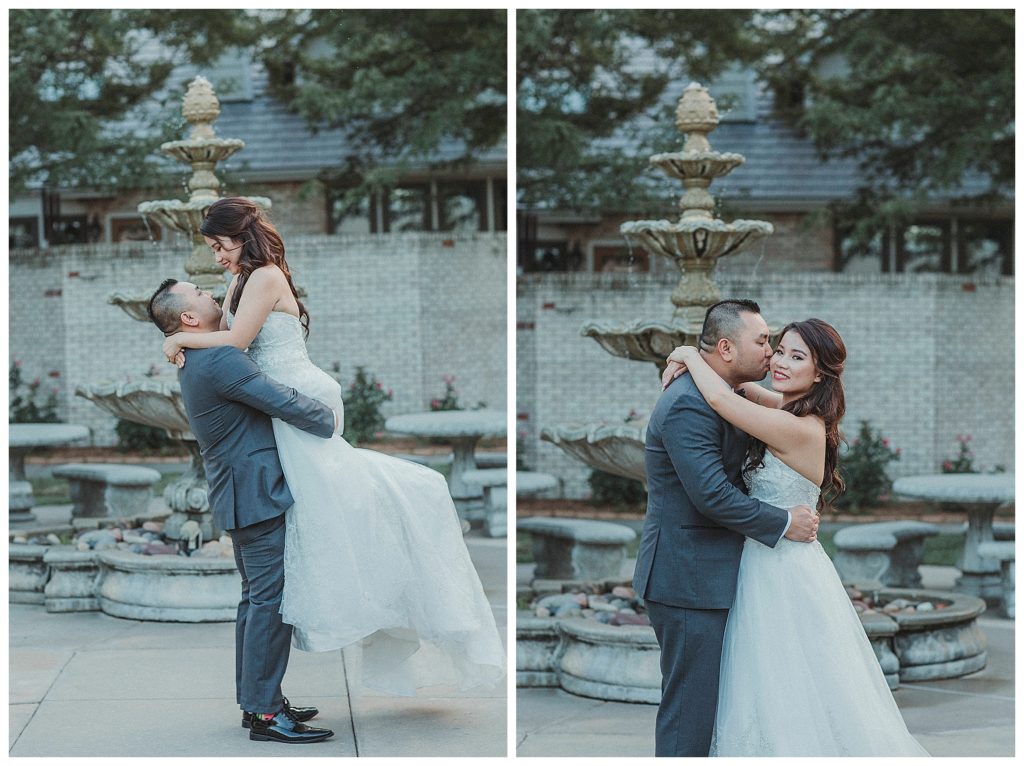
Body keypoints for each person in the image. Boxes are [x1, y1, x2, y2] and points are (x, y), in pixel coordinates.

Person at [160, 197, 506, 698]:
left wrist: (180, 341)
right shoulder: (240, 282)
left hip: (303, 401)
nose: (215, 259)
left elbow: (236, 342)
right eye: (212, 250)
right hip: (286, 416)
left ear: (240, 236)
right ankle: (266, 697)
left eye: (219, 246)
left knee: (394, 495)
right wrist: (181, 337)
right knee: (297, 560)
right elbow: (234, 343)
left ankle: (276, 687)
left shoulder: (262, 278)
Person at [663, 317, 929, 756]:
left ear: (820, 371)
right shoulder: (791, 410)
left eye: (797, 356)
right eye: (779, 350)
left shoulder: (796, 426)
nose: (780, 362)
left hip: (782, 573)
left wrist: (690, 353)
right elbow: (744, 390)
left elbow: (720, 398)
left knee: (782, 683)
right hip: (768, 560)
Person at [147, 278, 338, 744]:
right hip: (254, 494)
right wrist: (329, 414)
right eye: (199, 293)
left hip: (240, 492)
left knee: (256, 600)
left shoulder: (199, 354)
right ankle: (266, 714)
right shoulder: (219, 358)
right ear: (189, 318)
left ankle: (258, 701)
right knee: (269, 603)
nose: (210, 293)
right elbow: (281, 401)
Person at [634, 299, 820, 757]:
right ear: (726, 348)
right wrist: (783, 523)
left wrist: (686, 353)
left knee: (718, 708)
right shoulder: (687, 404)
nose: (771, 351)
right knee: (689, 714)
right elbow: (712, 495)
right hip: (686, 577)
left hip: (717, 574)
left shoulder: (728, 394)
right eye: (762, 341)